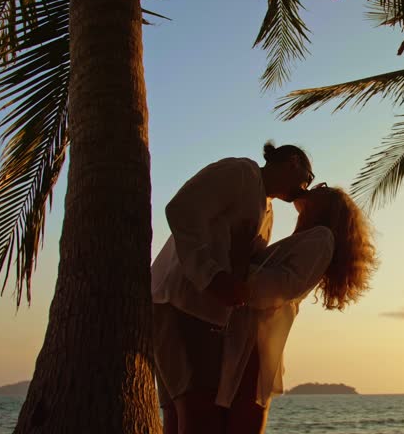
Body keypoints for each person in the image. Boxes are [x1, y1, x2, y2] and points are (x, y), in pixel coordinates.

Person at [151, 142, 314, 434]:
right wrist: (212, 277)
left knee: (183, 414)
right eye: (308, 178)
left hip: (202, 313)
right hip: (179, 302)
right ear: (293, 162)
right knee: (197, 412)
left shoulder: (267, 209)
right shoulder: (239, 172)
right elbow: (182, 208)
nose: (305, 188)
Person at [220, 184, 378, 434]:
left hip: (257, 334)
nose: (314, 187)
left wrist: (231, 266)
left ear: (327, 208)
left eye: (321, 187)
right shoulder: (311, 238)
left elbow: (276, 289)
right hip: (255, 331)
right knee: (240, 409)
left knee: (245, 409)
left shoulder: (321, 238)